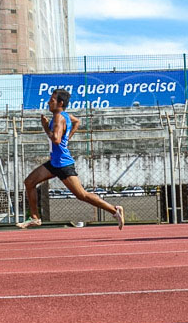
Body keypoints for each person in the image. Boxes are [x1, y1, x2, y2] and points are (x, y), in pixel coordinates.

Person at [17, 88, 125, 229]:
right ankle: (35, 218)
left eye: (52, 100)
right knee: (29, 182)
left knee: (82, 195)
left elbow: (55, 139)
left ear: (60, 103)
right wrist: (66, 139)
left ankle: (114, 210)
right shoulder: (66, 116)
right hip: (54, 162)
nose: (49, 102)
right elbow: (77, 122)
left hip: (62, 163)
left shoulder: (58, 117)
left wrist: (45, 127)